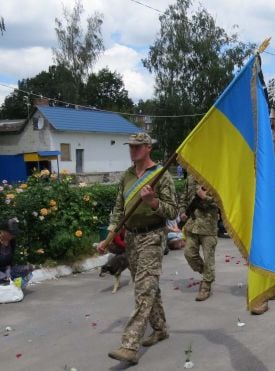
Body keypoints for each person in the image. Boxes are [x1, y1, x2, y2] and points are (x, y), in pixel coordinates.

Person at [98, 132, 179, 365]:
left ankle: (129, 346)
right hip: (131, 239)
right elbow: (118, 210)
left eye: (137, 147)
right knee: (149, 285)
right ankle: (161, 328)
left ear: (148, 148)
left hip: (152, 237)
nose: (132, 151)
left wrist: (154, 202)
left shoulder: (161, 176)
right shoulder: (127, 176)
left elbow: (173, 211)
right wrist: (108, 238)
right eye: (130, 147)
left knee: (143, 289)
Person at [183, 174, 219, 302]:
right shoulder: (191, 178)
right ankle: (207, 274)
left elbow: (222, 202)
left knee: (208, 257)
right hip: (192, 224)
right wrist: (183, 211)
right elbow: (185, 197)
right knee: (189, 253)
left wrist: (205, 198)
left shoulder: (215, 177)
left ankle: (206, 286)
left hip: (208, 226)